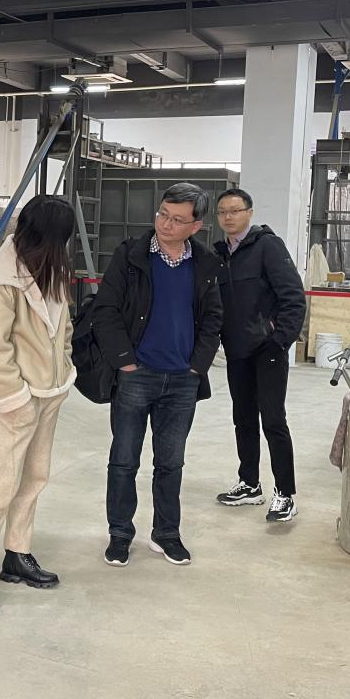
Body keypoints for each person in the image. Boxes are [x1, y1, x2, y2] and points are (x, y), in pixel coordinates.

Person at [91, 182, 223, 568]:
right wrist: (124, 362)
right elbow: (106, 310)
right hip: (136, 375)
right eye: (163, 214)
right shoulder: (130, 255)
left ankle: (166, 534)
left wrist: (197, 366)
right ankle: (120, 534)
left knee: (170, 463)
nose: (166, 224)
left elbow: (213, 318)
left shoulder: (205, 264)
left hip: (182, 380)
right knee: (124, 460)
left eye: (177, 220)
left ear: (195, 227)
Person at [0, 196, 77, 615]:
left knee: (35, 476)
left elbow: (63, 327)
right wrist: (17, 398)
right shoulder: (1, 279)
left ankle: (17, 554)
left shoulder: (49, 268)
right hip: (15, 400)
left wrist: (63, 371)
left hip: (49, 393)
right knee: (2, 484)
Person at [211, 189, 307, 522]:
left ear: (249, 213)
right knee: (243, 419)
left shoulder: (268, 246)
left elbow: (294, 298)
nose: (228, 217)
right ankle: (250, 483)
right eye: (222, 212)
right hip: (236, 350)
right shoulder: (220, 254)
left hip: (268, 351)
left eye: (235, 210)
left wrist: (279, 341)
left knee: (273, 421)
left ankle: (285, 493)